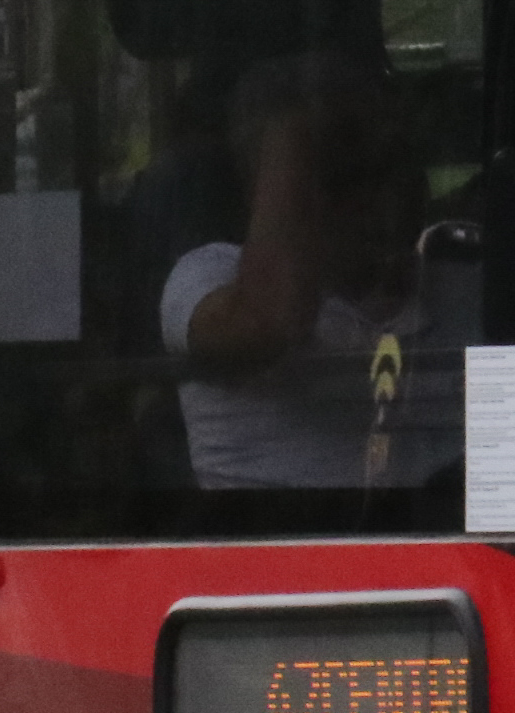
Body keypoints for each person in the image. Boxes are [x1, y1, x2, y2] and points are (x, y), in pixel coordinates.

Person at [160, 53, 473, 493]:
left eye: (397, 165)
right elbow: (268, 321)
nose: (386, 197)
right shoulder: (210, 277)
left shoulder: (469, 282)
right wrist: (294, 122)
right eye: (347, 180)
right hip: (284, 553)